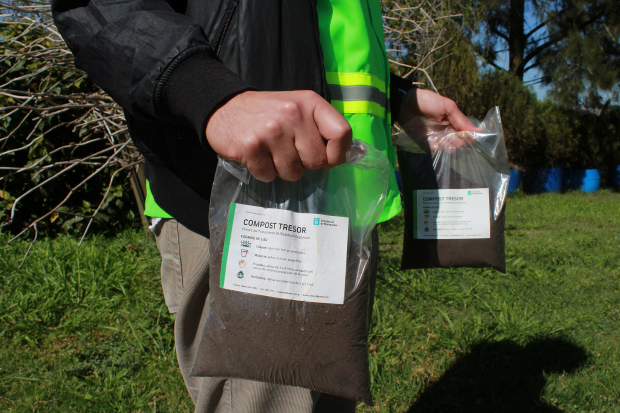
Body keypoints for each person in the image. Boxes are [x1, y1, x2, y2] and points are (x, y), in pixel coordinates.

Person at [52, 0, 479, 411]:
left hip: (343, 202)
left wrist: (399, 96)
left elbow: (316, 35)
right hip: (242, 200)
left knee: (325, 394)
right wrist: (209, 92)